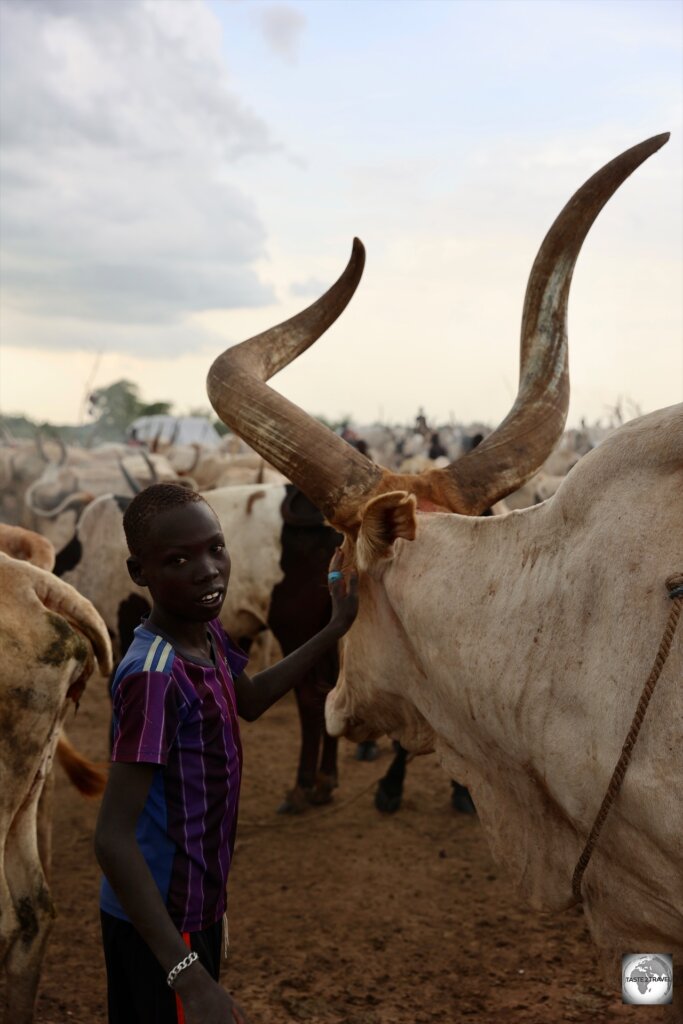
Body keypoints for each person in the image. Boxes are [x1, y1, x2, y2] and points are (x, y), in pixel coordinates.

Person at [94, 483, 358, 1024]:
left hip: (197, 902)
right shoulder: (154, 676)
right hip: (161, 921)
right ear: (139, 573)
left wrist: (335, 627)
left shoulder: (206, 633)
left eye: (216, 548)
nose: (209, 570)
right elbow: (112, 837)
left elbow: (252, 699)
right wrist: (186, 975)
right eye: (179, 559)